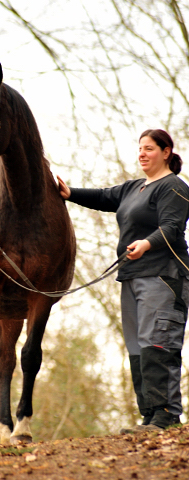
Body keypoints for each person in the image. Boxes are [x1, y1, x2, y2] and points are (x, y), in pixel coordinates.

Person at [58, 129, 189, 432]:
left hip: (163, 275)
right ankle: (149, 415)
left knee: (158, 341)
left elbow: (171, 228)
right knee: (137, 346)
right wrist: (70, 193)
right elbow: (105, 197)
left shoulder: (174, 187)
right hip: (131, 277)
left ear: (166, 152)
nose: (142, 154)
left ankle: (166, 414)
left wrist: (146, 243)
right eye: (140, 149)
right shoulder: (134, 188)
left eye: (150, 149)